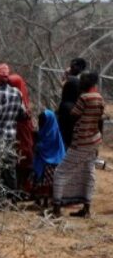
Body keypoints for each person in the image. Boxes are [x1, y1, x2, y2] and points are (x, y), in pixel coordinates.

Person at [52, 72, 104, 218]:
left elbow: (74, 114)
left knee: (60, 172)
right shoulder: (99, 97)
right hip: (94, 139)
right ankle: (86, 208)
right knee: (89, 172)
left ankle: (56, 208)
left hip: (81, 140)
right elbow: (100, 118)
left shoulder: (83, 98)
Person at [0, 66, 27, 198]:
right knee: (10, 167)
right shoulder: (17, 93)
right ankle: (13, 197)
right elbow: (23, 115)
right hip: (11, 135)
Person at [32, 109, 66, 209]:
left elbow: (45, 147)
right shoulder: (47, 130)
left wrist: (37, 146)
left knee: (46, 177)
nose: (40, 124)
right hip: (46, 161)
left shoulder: (52, 133)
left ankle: (47, 200)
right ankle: (42, 199)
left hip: (53, 161)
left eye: (42, 122)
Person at [57, 58, 88, 149]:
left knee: (67, 135)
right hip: (73, 109)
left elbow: (64, 86)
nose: (70, 68)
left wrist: (67, 76)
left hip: (72, 109)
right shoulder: (78, 78)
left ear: (80, 67)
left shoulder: (79, 79)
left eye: (73, 66)